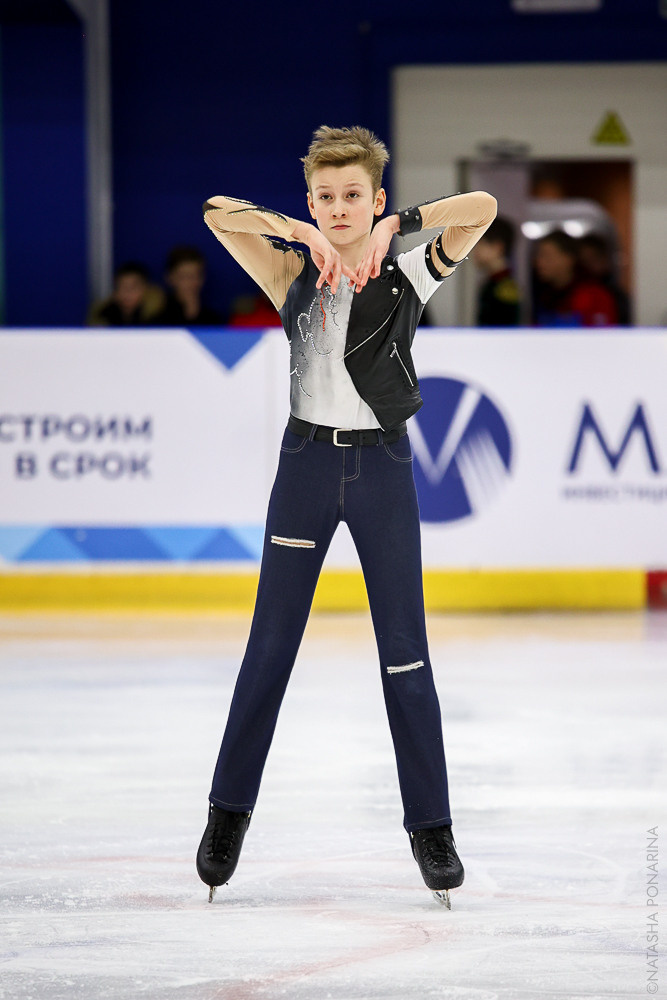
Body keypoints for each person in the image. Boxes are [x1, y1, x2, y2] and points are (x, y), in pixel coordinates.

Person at [196, 125, 497, 907]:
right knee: (268, 650)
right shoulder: (288, 267)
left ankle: (431, 827)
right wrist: (291, 230)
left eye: (352, 196)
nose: (338, 208)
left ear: (376, 200)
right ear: (311, 202)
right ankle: (228, 812)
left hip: (383, 472)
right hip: (303, 469)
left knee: (405, 655)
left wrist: (400, 228)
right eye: (324, 198)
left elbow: (484, 205)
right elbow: (215, 213)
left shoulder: (408, 271)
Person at [532, 230, 617, 327]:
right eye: (538, 256)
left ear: (568, 259)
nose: (539, 263)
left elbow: (603, 336)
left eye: (547, 256)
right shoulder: (541, 296)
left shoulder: (595, 296)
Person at [153, 245, 223, 325]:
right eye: (185, 276)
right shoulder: (157, 320)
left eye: (197, 275)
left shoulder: (214, 319)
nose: (193, 282)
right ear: (170, 278)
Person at [472, 216, 521, 326]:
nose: (474, 251)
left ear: (497, 247)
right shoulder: (494, 283)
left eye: (479, 244)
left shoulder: (504, 287)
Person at [577, 233, 631, 326]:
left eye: (592, 259)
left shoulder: (617, 298)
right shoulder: (575, 291)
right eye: (584, 261)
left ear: (605, 259)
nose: (588, 266)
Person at [88, 262, 165, 326]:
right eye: (121, 287)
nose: (127, 293)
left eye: (133, 287)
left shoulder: (161, 316)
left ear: (146, 289)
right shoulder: (104, 314)